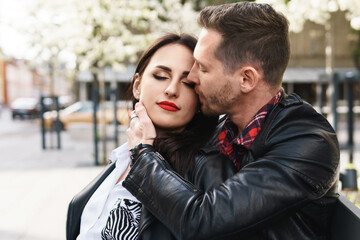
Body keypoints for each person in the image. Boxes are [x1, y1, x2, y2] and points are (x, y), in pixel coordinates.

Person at [123, 2, 340, 240]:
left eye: (203, 68)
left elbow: (204, 221)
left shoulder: (308, 143)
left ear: (246, 79)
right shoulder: (222, 132)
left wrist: (142, 153)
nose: (192, 77)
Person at [66, 33, 236, 240]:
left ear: (200, 96)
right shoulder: (121, 157)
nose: (172, 90)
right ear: (137, 86)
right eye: (161, 76)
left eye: (188, 83)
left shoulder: (209, 168)